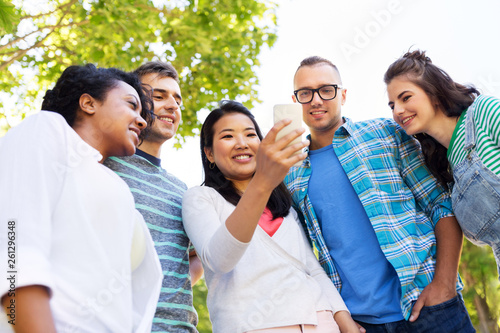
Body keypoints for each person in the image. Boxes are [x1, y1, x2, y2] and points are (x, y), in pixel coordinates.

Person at [284, 56, 475, 332]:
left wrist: (444, 284)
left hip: (430, 306)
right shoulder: (291, 172)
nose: (316, 100)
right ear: (296, 100)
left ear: (343, 95)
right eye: (305, 93)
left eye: (327, 90)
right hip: (360, 322)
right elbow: (304, 256)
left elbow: (439, 204)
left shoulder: (385, 133)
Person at [0, 64, 162, 332]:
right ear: (88, 103)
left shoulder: (118, 187)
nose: (143, 121)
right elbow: (14, 244)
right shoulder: (47, 130)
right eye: (131, 105)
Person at [182, 100, 362, 333]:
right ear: (209, 153)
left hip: (321, 320)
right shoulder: (200, 198)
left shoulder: (284, 205)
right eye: (228, 137)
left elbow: (311, 267)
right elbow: (220, 260)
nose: (242, 143)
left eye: (250, 134)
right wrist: (263, 183)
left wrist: (343, 319)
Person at [104, 61, 202, 332]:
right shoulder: (105, 167)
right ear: (134, 104)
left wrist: (164, 285)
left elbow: (196, 257)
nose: (173, 105)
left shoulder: (182, 191)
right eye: (159, 96)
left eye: (177, 99)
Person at [385, 49, 500, 279]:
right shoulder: (445, 169)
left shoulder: (483, 112)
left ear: (434, 94)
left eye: (405, 98)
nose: (397, 111)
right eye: (392, 105)